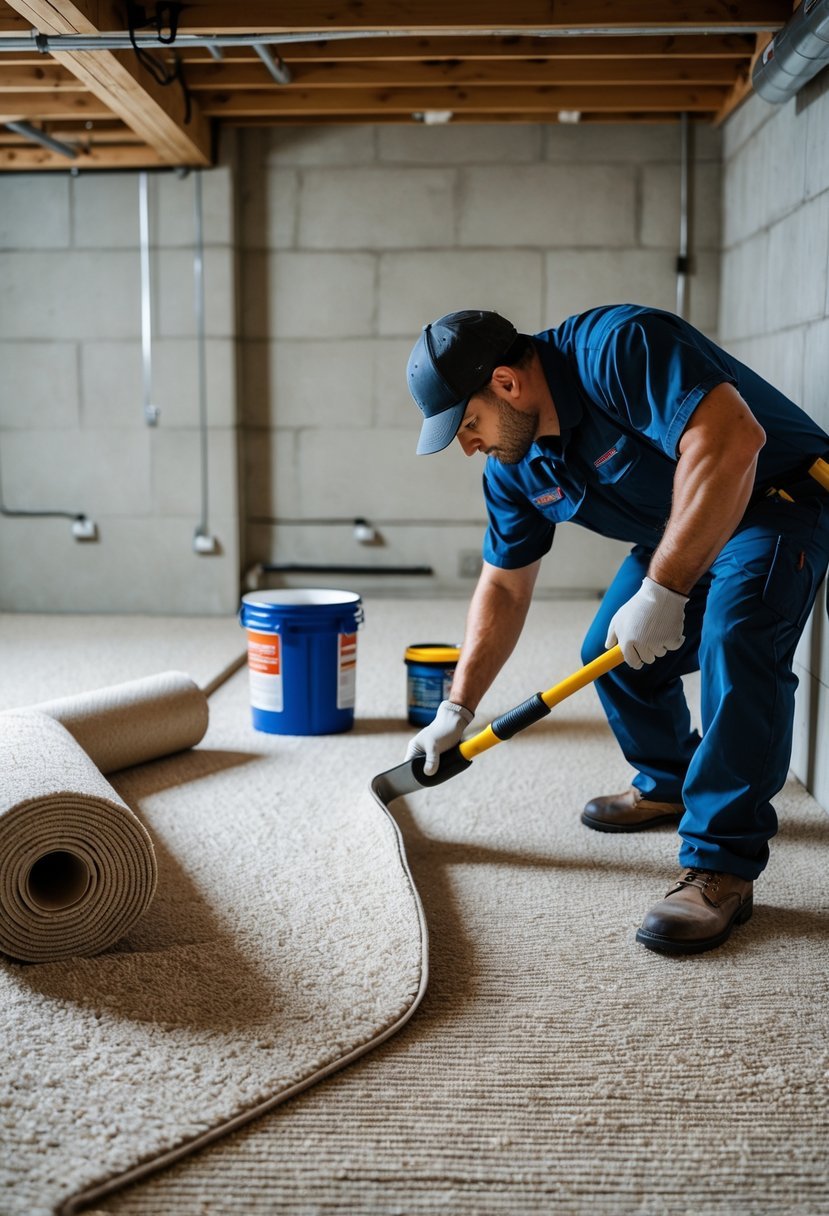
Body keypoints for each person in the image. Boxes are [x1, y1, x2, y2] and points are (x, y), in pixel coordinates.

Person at [403, 305, 829, 956]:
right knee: (606, 653)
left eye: (467, 424)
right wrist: (456, 708)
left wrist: (662, 590)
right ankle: (666, 782)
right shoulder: (515, 468)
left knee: (735, 638)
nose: (469, 446)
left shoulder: (618, 347)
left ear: (507, 384)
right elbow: (504, 585)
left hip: (774, 502)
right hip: (678, 532)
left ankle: (721, 864)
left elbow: (733, 439)